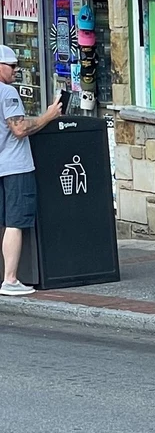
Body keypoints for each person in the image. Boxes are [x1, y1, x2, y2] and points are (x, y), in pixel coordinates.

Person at [0, 45, 63, 296]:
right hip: (15, 166)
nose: (16, 70)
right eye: (12, 66)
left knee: (3, 222)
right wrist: (48, 116)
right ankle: (10, 279)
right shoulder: (7, 93)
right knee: (15, 222)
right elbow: (19, 128)